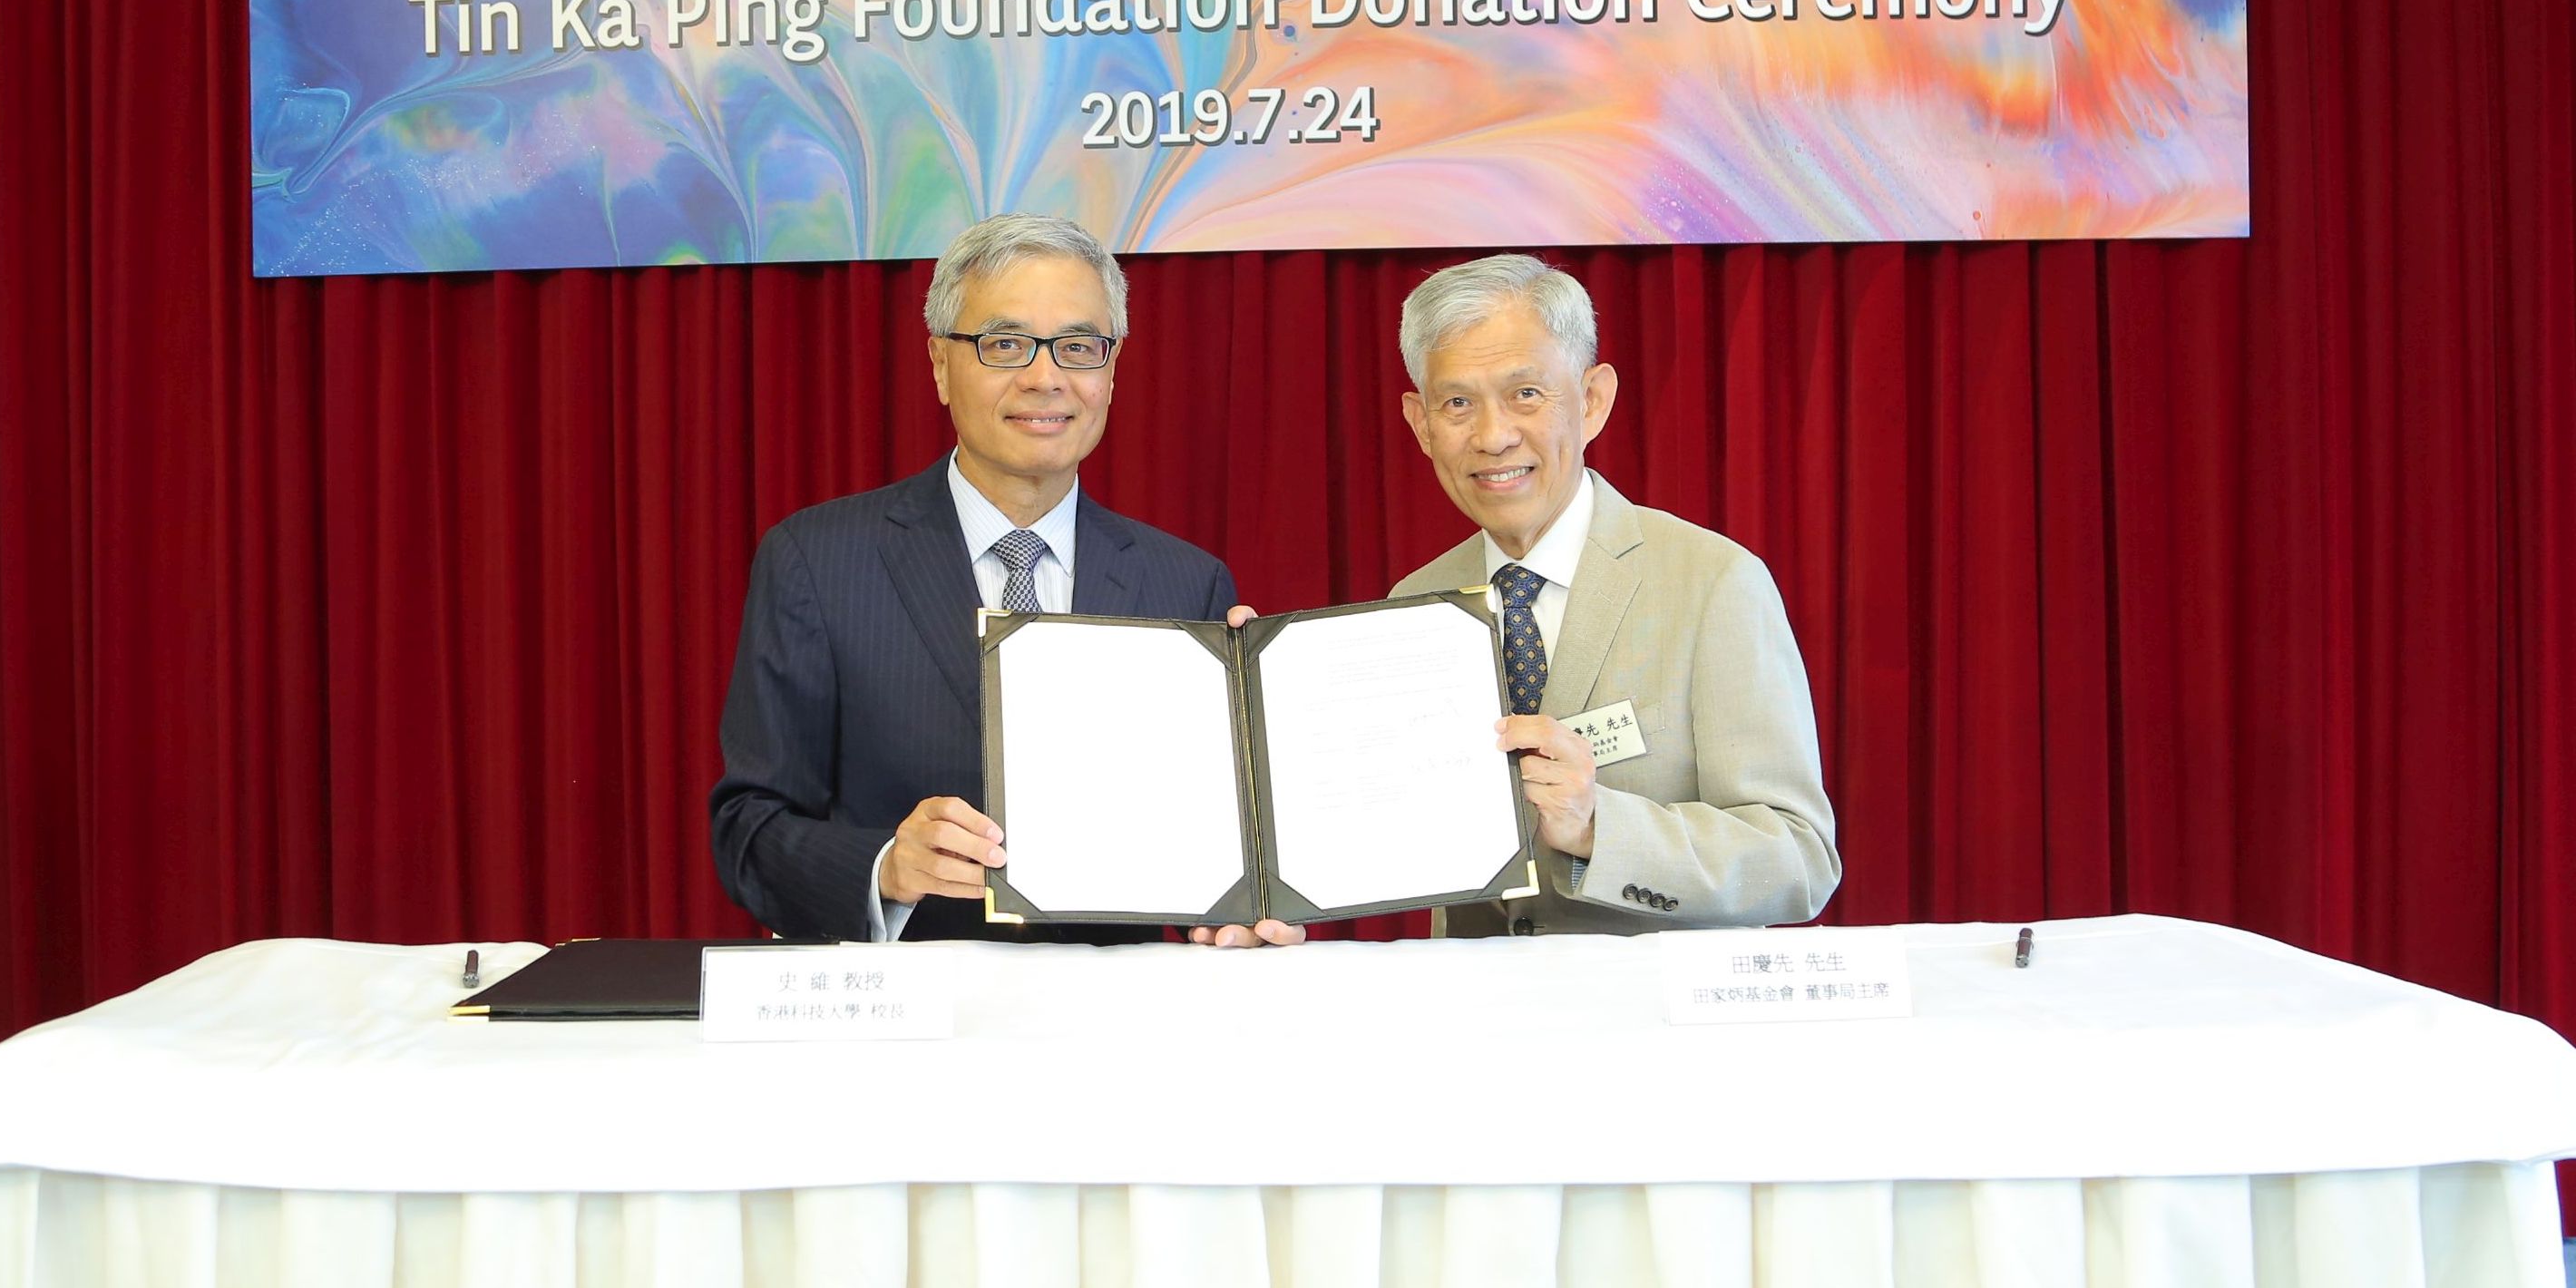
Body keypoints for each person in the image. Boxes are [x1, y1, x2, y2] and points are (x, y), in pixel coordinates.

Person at [1193, 251, 1838, 945]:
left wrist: (1598, 827)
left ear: (1592, 400)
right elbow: (1385, 831)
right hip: (1473, 1004)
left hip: (1649, 1005)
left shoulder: (1709, 582)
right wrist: (1281, 886)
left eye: (1525, 394)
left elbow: (1796, 859)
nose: (1493, 436)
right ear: (1420, 423)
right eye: (1457, 404)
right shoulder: (1415, 602)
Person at [708, 214, 1239, 942]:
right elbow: (748, 830)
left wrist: (1243, 908)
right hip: (911, 1000)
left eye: (1078, 347)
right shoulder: (819, 562)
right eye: (1005, 344)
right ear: (939, 364)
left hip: (1115, 1003)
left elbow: (1211, 849)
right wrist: (886, 867)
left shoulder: (1186, 584)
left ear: (1111, 369)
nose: (1045, 377)